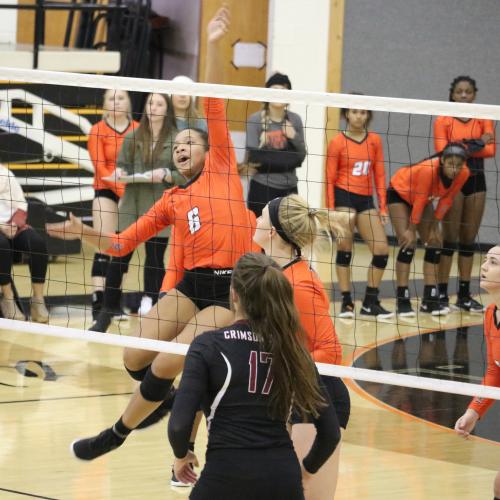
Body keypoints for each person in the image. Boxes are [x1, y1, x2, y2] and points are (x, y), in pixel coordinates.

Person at [46, 5, 255, 459]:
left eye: (188, 143)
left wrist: (215, 46)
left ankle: (115, 434)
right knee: (133, 356)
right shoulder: (173, 199)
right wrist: (84, 231)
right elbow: (120, 243)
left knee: (165, 362)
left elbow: (213, 96)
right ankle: (166, 399)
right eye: (176, 146)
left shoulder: (222, 168)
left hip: (226, 292)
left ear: (207, 149)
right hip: (191, 285)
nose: (181, 148)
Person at [168, 252, 340, 500]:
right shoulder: (294, 351)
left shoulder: (207, 346)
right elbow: (330, 432)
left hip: (225, 477)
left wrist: (181, 455)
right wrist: (306, 472)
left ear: (234, 294)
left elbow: (179, 425)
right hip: (282, 478)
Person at [252, 194, 349, 499]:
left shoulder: (299, 284)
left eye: (262, 216)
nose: (255, 219)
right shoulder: (277, 273)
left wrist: (285, 370)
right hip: (294, 394)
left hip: (318, 398)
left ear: (273, 232)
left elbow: (331, 353)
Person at [90, 92, 184, 331]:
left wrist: (166, 175)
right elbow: (122, 166)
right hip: (132, 206)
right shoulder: (133, 136)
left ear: (167, 109)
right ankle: (107, 311)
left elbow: (183, 174)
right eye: (151, 102)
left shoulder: (176, 138)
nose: (154, 107)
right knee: (119, 259)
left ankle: (153, 312)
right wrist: (121, 172)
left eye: (160, 103)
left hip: (159, 208)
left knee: (154, 261)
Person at [435, 76, 496, 313]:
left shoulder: (484, 115)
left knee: (468, 241)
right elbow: (443, 152)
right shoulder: (443, 118)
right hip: (452, 181)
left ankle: (463, 294)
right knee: (449, 240)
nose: (463, 95)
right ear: (452, 94)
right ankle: (440, 294)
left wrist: (460, 145)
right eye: (459, 92)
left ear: (474, 94)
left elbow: (491, 150)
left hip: (476, 181)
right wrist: (478, 142)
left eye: (467, 92)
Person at [387, 143, 470, 317]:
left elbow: (446, 200)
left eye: (459, 165)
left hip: (422, 200)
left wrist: (433, 227)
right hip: (400, 192)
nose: (455, 169)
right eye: (451, 164)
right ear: (442, 161)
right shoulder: (428, 170)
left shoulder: (464, 173)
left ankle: (429, 298)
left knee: (435, 242)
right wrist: (411, 230)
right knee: (407, 242)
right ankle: (402, 298)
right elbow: (419, 200)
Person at [325, 102, 392, 319]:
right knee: (345, 247)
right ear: (346, 114)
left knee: (381, 250)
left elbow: (380, 175)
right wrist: (330, 210)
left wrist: (382, 206)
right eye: (354, 111)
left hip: (365, 199)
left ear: (368, 115)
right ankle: (346, 301)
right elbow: (329, 178)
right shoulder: (337, 142)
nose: (358, 116)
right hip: (343, 195)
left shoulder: (374, 140)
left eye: (363, 112)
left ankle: (370, 301)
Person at [454, 244, 500, 499]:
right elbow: (496, 371)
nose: (483, 267)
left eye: (493, 262)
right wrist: (474, 411)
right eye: (485, 260)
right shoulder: (492, 312)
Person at [87, 89, 138, 320]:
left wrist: (130, 192)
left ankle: (114, 300)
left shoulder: (138, 129)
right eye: (111, 98)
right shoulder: (97, 130)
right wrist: (121, 190)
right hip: (106, 189)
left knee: (122, 249)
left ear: (128, 103)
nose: (116, 102)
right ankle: (98, 300)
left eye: (121, 98)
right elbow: (100, 167)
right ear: (104, 104)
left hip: (132, 190)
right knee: (104, 246)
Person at [245, 72, 306, 217]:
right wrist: (288, 159)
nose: (279, 95)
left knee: (287, 236)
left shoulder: (295, 120)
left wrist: (294, 136)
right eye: (275, 90)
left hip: (289, 189)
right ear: (267, 93)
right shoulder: (255, 119)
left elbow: (301, 157)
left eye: (283, 91)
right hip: (262, 188)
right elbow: (254, 159)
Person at [0, 164, 48, 322]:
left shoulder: (5, 173)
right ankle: (8, 299)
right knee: (2, 246)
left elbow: (21, 203)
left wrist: (14, 224)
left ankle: (38, 301)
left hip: (13, 226)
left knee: (37, 244)